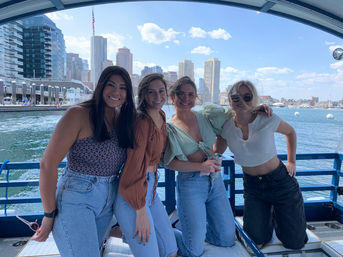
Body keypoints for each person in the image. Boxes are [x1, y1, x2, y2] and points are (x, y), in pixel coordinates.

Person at [33, 66, 136, 257]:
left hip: (108, 198)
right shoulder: (78, 114)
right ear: (100, 86)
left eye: (123, 88)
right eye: (111, 85)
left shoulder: (121, 118)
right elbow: (47, 165)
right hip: (78, 197)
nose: (117, 92)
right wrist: (49, 215)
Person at [215, 80, 308, 250]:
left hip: (280, 183)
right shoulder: (226, 127)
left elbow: (290, 132)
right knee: (255, 243)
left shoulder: (266, 118)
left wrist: (291, 161)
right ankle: (267, 218)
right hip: (253, 188)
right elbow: (215, 153)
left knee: (295, 243)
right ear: (229, 101)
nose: (241, 101)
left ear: (254, 98)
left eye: (247, 97)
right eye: (236, 97)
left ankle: (277, 217)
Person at [163, 76, 236, 257]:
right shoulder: (169, 128)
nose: (186, 99)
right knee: (192, 251)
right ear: (172, 97)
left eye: (190, 94)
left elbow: (229, 126)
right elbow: (169, 162)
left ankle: (191, 227)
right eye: (180, 94)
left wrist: (217, 155)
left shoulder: (206, 116)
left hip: (215, 181)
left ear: (196, 97)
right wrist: (200, 166)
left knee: (227, 239)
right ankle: (158, 228)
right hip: (190, 184)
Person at [114, 73, 177, 257]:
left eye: (161, 91)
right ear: (143, 95)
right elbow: (133, 167)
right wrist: (139, 210)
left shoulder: (162, 116)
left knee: (171, 251)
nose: (158, 97)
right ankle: (122, 230)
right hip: (133, 193)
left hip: (151, 190)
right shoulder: (141, 121)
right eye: (151, 92)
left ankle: (123, 232)